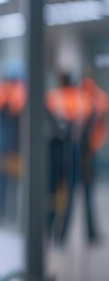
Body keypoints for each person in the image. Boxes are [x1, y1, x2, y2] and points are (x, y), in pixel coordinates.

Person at [46, 73, 94, 244]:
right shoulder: (83, 99)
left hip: (57, 149)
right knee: (68, 195)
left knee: (52, 192)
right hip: (75, 150)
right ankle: (60, 236)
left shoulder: (53, 97)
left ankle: (49, 230)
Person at [0, 77, 26, 224]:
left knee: (9, 184)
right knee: (6, 184)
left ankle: (6, 214)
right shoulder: (10, 96)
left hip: (10, 149)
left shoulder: (4, 95)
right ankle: (4, 214)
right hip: (9, 149)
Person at [81, 75, 107, 243]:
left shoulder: (94, 99)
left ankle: (91, 232)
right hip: (85, 151)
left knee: (89, 192)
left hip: (88, 151)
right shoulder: (93, 99)